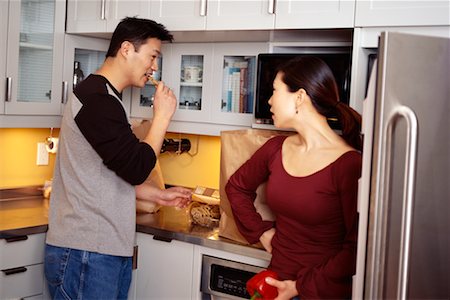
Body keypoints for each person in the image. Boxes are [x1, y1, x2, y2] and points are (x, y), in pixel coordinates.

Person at [44, 17, 191, 299]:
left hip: (100, 250)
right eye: (153, 56)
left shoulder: (106, 97)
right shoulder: (97, 99)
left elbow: (105, 174)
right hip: (86, 252)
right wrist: (161, 118)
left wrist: (158, 195)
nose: (155, 67)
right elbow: (136, 167)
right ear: (126, 49)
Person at [226, 56, 362, 300]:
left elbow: (356, 248)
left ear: (299, 96)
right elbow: (236, 187)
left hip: (319, 293)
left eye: (274, 91)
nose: (269, 100)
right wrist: (261, 232)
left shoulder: (349, 164)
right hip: (274, 283)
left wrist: (299, 287)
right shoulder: (276, 148)